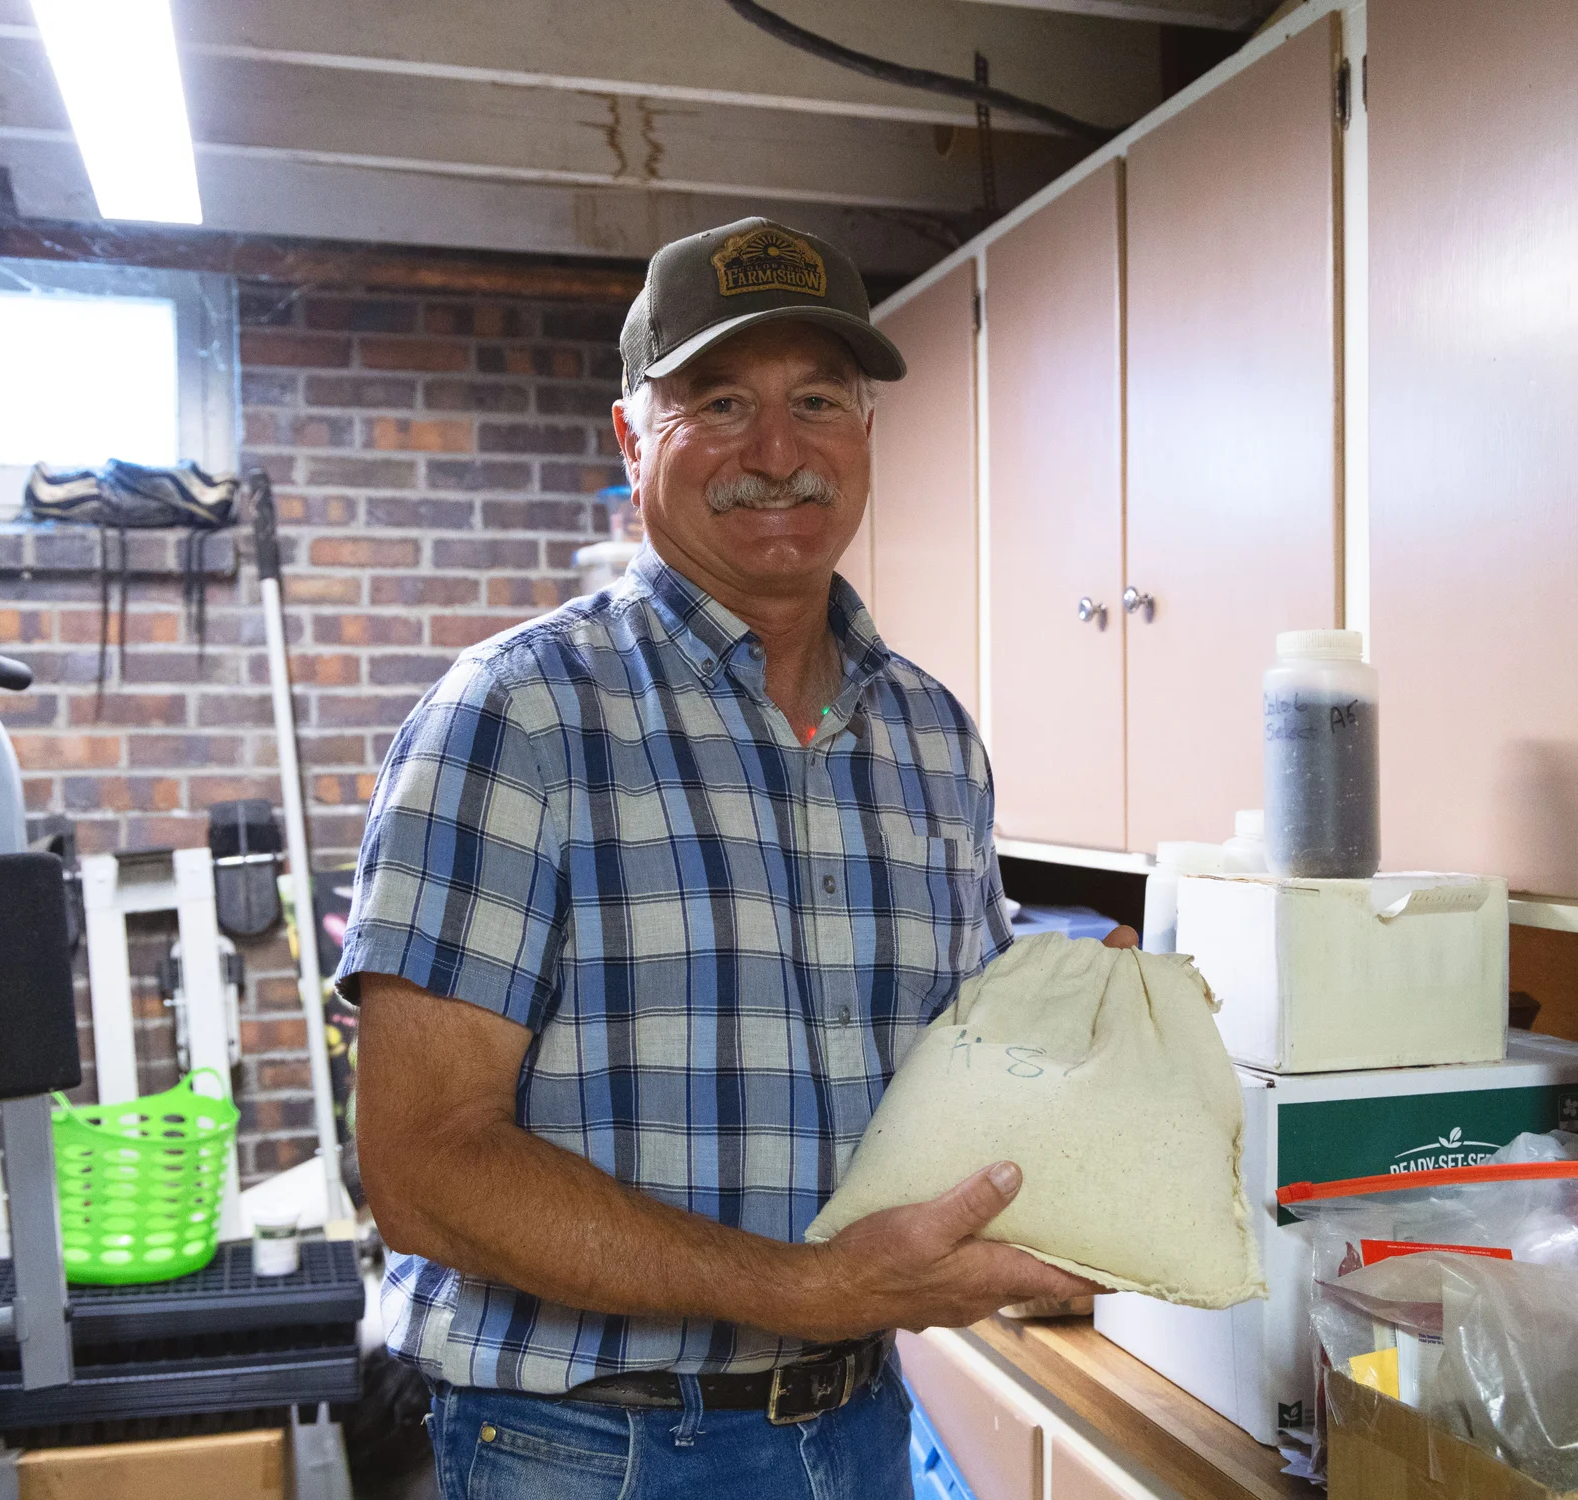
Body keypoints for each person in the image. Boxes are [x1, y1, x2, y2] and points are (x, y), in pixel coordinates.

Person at [341, 217, 1099, 1499]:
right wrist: (808, 1289)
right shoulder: (518, 716)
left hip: (858, 1425)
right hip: (594, 1451)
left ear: (865, 432)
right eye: (722, 402)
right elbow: (423, 1170)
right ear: (632, 438)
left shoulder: (930, 737)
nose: (779, 452)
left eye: (818, 400)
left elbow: (965, 1070)